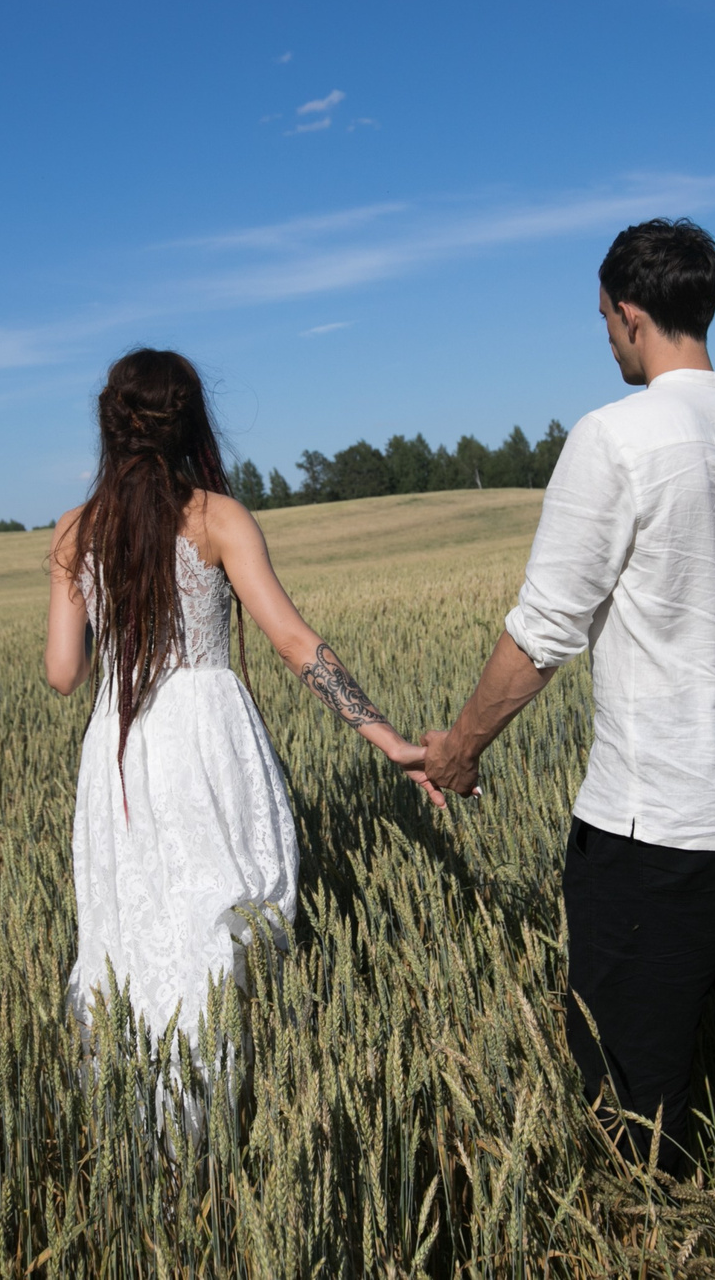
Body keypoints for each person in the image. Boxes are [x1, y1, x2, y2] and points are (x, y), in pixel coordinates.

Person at [421, 219, 715, 1261]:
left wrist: (460, 746)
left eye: (604, 318)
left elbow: (545, 630)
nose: (605, 336)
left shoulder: (616, 437)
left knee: (628, 1074)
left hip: (661, 815)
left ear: (631, 316)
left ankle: (650, 1246)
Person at [46, 347, 431, 1051]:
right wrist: (391, 740)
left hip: (120, 743)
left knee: (135, 920)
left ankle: (144, 1085)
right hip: (206, 734)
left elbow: (65, 672)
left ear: (112, 424)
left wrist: (119, 613)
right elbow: (292, 640)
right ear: (189, 421)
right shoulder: (218, 518)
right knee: (220, 915)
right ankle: (234, 1074)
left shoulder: (76, 529)